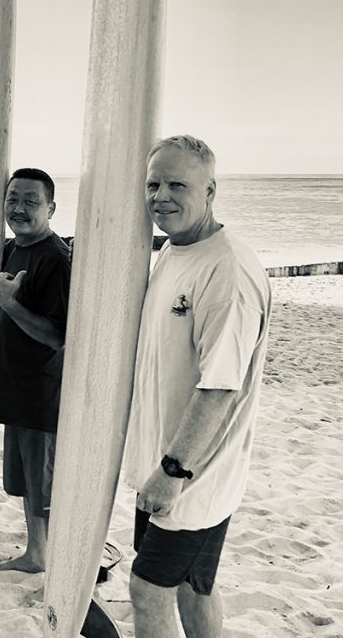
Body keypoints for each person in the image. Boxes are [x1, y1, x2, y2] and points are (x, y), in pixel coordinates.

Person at [124, 135, 271, 638]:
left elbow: (220, 387)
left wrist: (172, 471)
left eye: (177, 184)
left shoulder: (226, 269)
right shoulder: (174, 250)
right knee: (194, 587)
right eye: (153, 183)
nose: (161, 196)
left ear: (210, 191)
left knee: (147, 593)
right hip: (175, 470)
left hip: (192, 474)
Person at [0, 168, 72, 573]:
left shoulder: (55, 259)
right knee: (26, 481)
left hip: (41, 391)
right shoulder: (11, 247)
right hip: (15, 388)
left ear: (51, 208)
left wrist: (8, 303)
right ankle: (36, 553)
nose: (18, 208)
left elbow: (57, 336)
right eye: (12, 199)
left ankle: (52, 561)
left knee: (45, 482)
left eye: (30, 201)